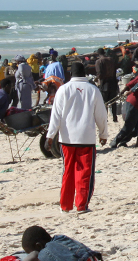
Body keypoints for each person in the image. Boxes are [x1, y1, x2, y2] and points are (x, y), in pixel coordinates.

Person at [46, 62, 108, 214]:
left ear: (70, 74)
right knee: (85, 172)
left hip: (67, 138)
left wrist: (50, 135)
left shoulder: (63, 90)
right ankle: (81, 205)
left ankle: (65, 205)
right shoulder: (93, 90)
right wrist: (103, 133)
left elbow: (56, 115)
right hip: (86, 138)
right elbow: (101, 114)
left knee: (68, 171)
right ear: (85, 73)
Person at [95, 49, 119, 124]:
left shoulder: (99, 62)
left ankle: (105, 118)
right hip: (113, 82)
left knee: (104, 102)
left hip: (104, 83)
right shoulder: (111, 59)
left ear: (98, 54)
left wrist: (95, 79)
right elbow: (115, 71)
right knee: (113, 101)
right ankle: (115, 117)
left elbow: (99, 74)